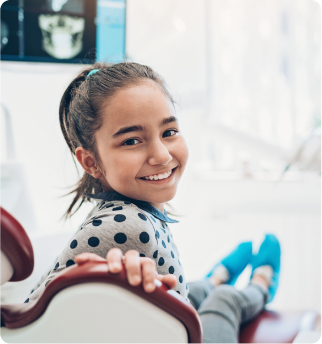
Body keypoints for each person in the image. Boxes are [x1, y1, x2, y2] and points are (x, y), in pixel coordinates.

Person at [26, 62, 281, 344]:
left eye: (169, 132)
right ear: (91, 162)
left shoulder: (130, 211)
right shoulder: (129, 228)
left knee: (192, 292)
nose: (161, 155)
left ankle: (214, 280)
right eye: (132, 140)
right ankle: (260, 284)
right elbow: (32, 324)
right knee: (224, 303)